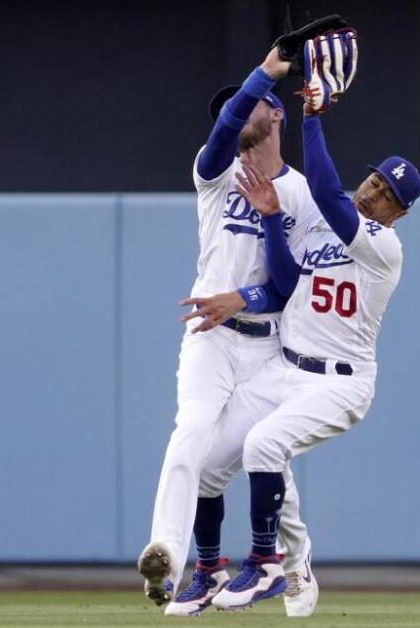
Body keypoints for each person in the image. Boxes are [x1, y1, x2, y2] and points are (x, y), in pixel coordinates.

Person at [179, 90, 420, 611]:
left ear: (398, 213)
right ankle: (226, 569)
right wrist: (270, 217)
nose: (371, 192)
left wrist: (311, 118)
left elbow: (329, 195)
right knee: (208, 466)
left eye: (384, 194)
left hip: (341, 381)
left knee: (266, 446)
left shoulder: (384, 245)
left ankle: (265, 562)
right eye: (374, 180)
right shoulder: (322, 230)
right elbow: (287, 282)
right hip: (284, 367)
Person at [138, 45, 322, 618]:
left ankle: (289, 564)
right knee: (191, 431)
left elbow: (289, 287)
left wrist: (243, 292)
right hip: (210, 339)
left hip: (268, 345)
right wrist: (265, 74)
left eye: (249, 107)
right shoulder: (215, 176)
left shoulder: (302, 195)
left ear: (276, 117)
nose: (235, 115)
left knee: (261, 456)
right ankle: (170, 554)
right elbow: (221, 130)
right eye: (231, 110)